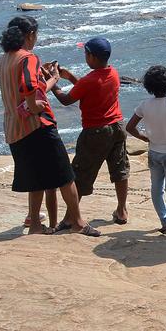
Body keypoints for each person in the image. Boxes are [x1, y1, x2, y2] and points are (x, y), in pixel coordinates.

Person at [0, 16, 98, 237]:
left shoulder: (3, 60)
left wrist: (47, 80)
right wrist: (41, 96)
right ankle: (78, 222)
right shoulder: (28, 58)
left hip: (14, 128)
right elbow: (30, 86)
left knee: (36, 178)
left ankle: (34, 226)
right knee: (65, 175)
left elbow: (21, 87)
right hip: (37, 126)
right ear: (30, 35)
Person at [48, 37, 129, 224]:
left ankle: (70, 218)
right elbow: (90, 88)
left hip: (96, 131)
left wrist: (53, 82)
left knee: (81, 174)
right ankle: (122, 210)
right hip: (117, 126)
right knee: (120, 170)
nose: (85, 56)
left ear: (91, 57)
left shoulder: (89, 80)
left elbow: (66, 99)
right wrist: (70, 77)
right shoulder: (113, 73)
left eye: (85, 53)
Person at [126, 65, 166, 236]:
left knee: (156, 188)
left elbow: (130, 127)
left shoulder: (144, 105)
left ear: (148, 86)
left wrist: (143, 137)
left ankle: (165, 221)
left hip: (154, 151)